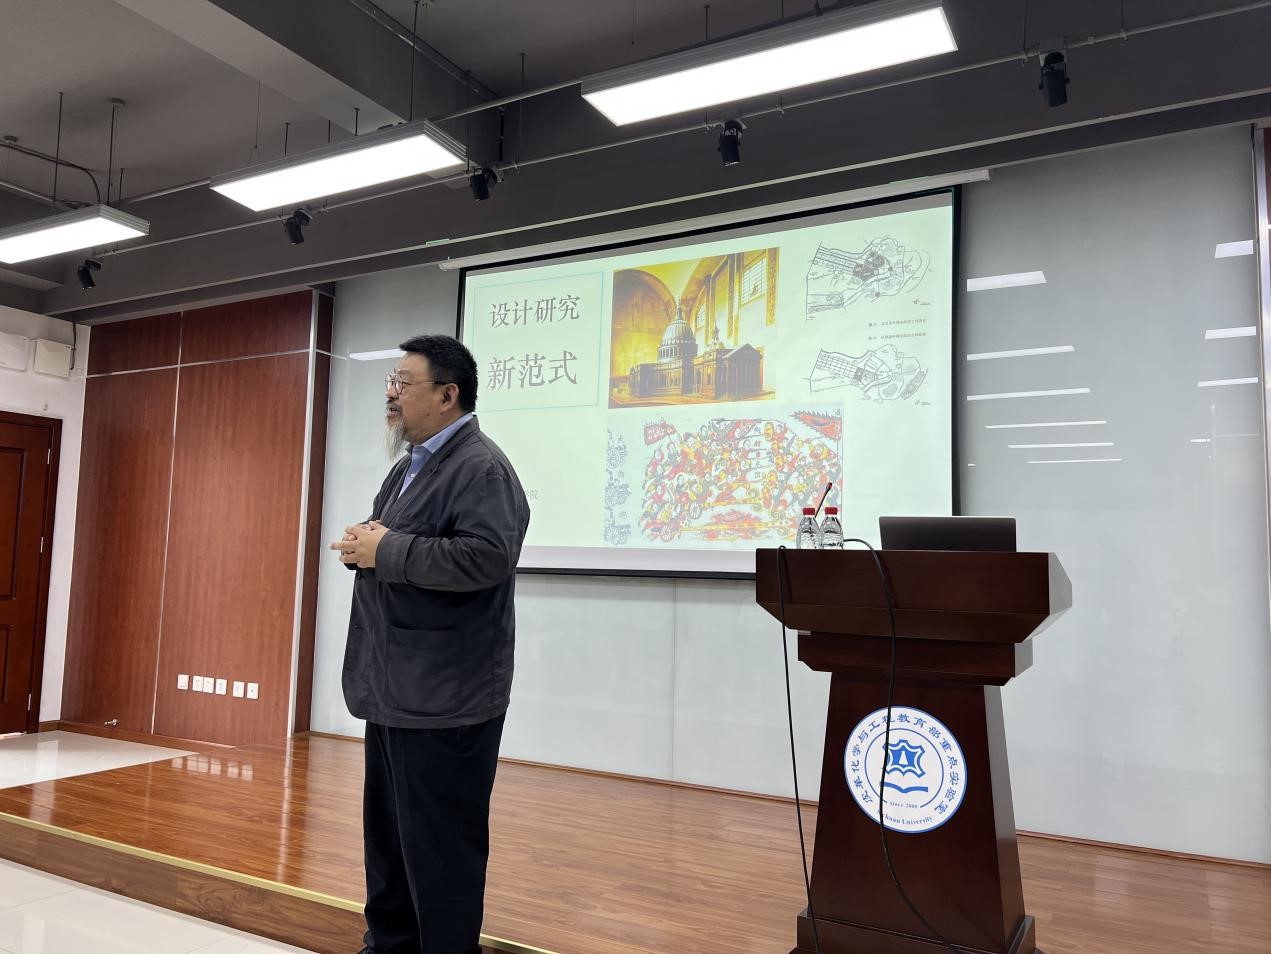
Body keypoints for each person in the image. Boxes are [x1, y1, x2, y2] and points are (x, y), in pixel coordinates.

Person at [331, 334, 530, 954]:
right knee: (390, 842)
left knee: (439, 850)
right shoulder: (410, 464)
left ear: (448, 395)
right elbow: (397, 542)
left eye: (403, 383)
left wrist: (386, 549)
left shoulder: (481, 467)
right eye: (389, 382)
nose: (391, 395)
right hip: (395, 688)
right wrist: (365, 546)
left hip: (446, 698)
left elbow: (487, 557)